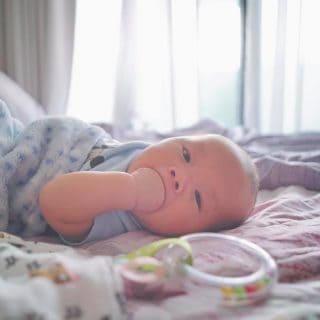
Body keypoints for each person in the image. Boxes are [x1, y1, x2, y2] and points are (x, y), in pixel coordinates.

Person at [0, 100, 258, 244]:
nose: (179, 175)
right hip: (18, 136)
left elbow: (52, 200)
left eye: (198, 198)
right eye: (186, 155)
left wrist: (131, 190)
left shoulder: (119, 218)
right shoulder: (146, 153)